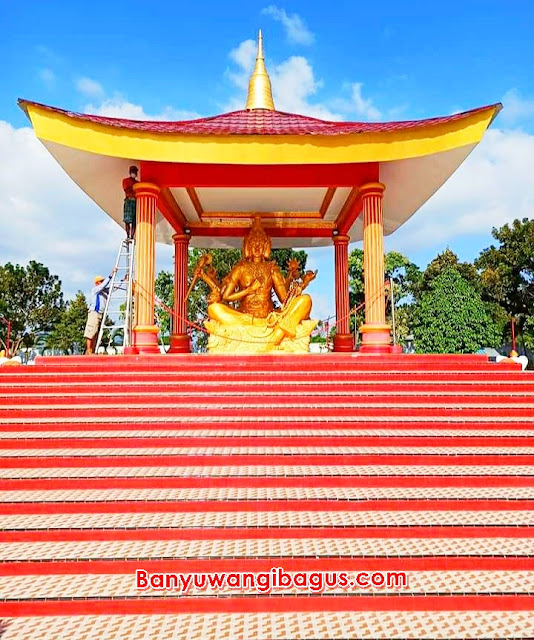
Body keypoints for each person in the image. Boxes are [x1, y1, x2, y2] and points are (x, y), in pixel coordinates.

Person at [84, 272, 115, 355]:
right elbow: (103, 286)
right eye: (101, 281)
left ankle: (92, 350)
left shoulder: (104, 291)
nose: (102, 282)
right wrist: (110, 276)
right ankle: (89, 350)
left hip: (100, 314)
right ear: (97, 283)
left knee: (96, 333)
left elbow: (113, 288)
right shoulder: (95, 290)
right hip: (94, 312)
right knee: (91, 331)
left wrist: (123, 280)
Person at [122, 165, 138, 240]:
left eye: (135, 172)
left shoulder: (137, 183)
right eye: (133, 172)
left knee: (134, 221)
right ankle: (128, 235)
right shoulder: (126, 181)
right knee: (127, 220)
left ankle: (132, 236)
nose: (134, 173)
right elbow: (126, 190)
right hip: (129, 200)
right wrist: (133, 190)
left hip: (135, 202)